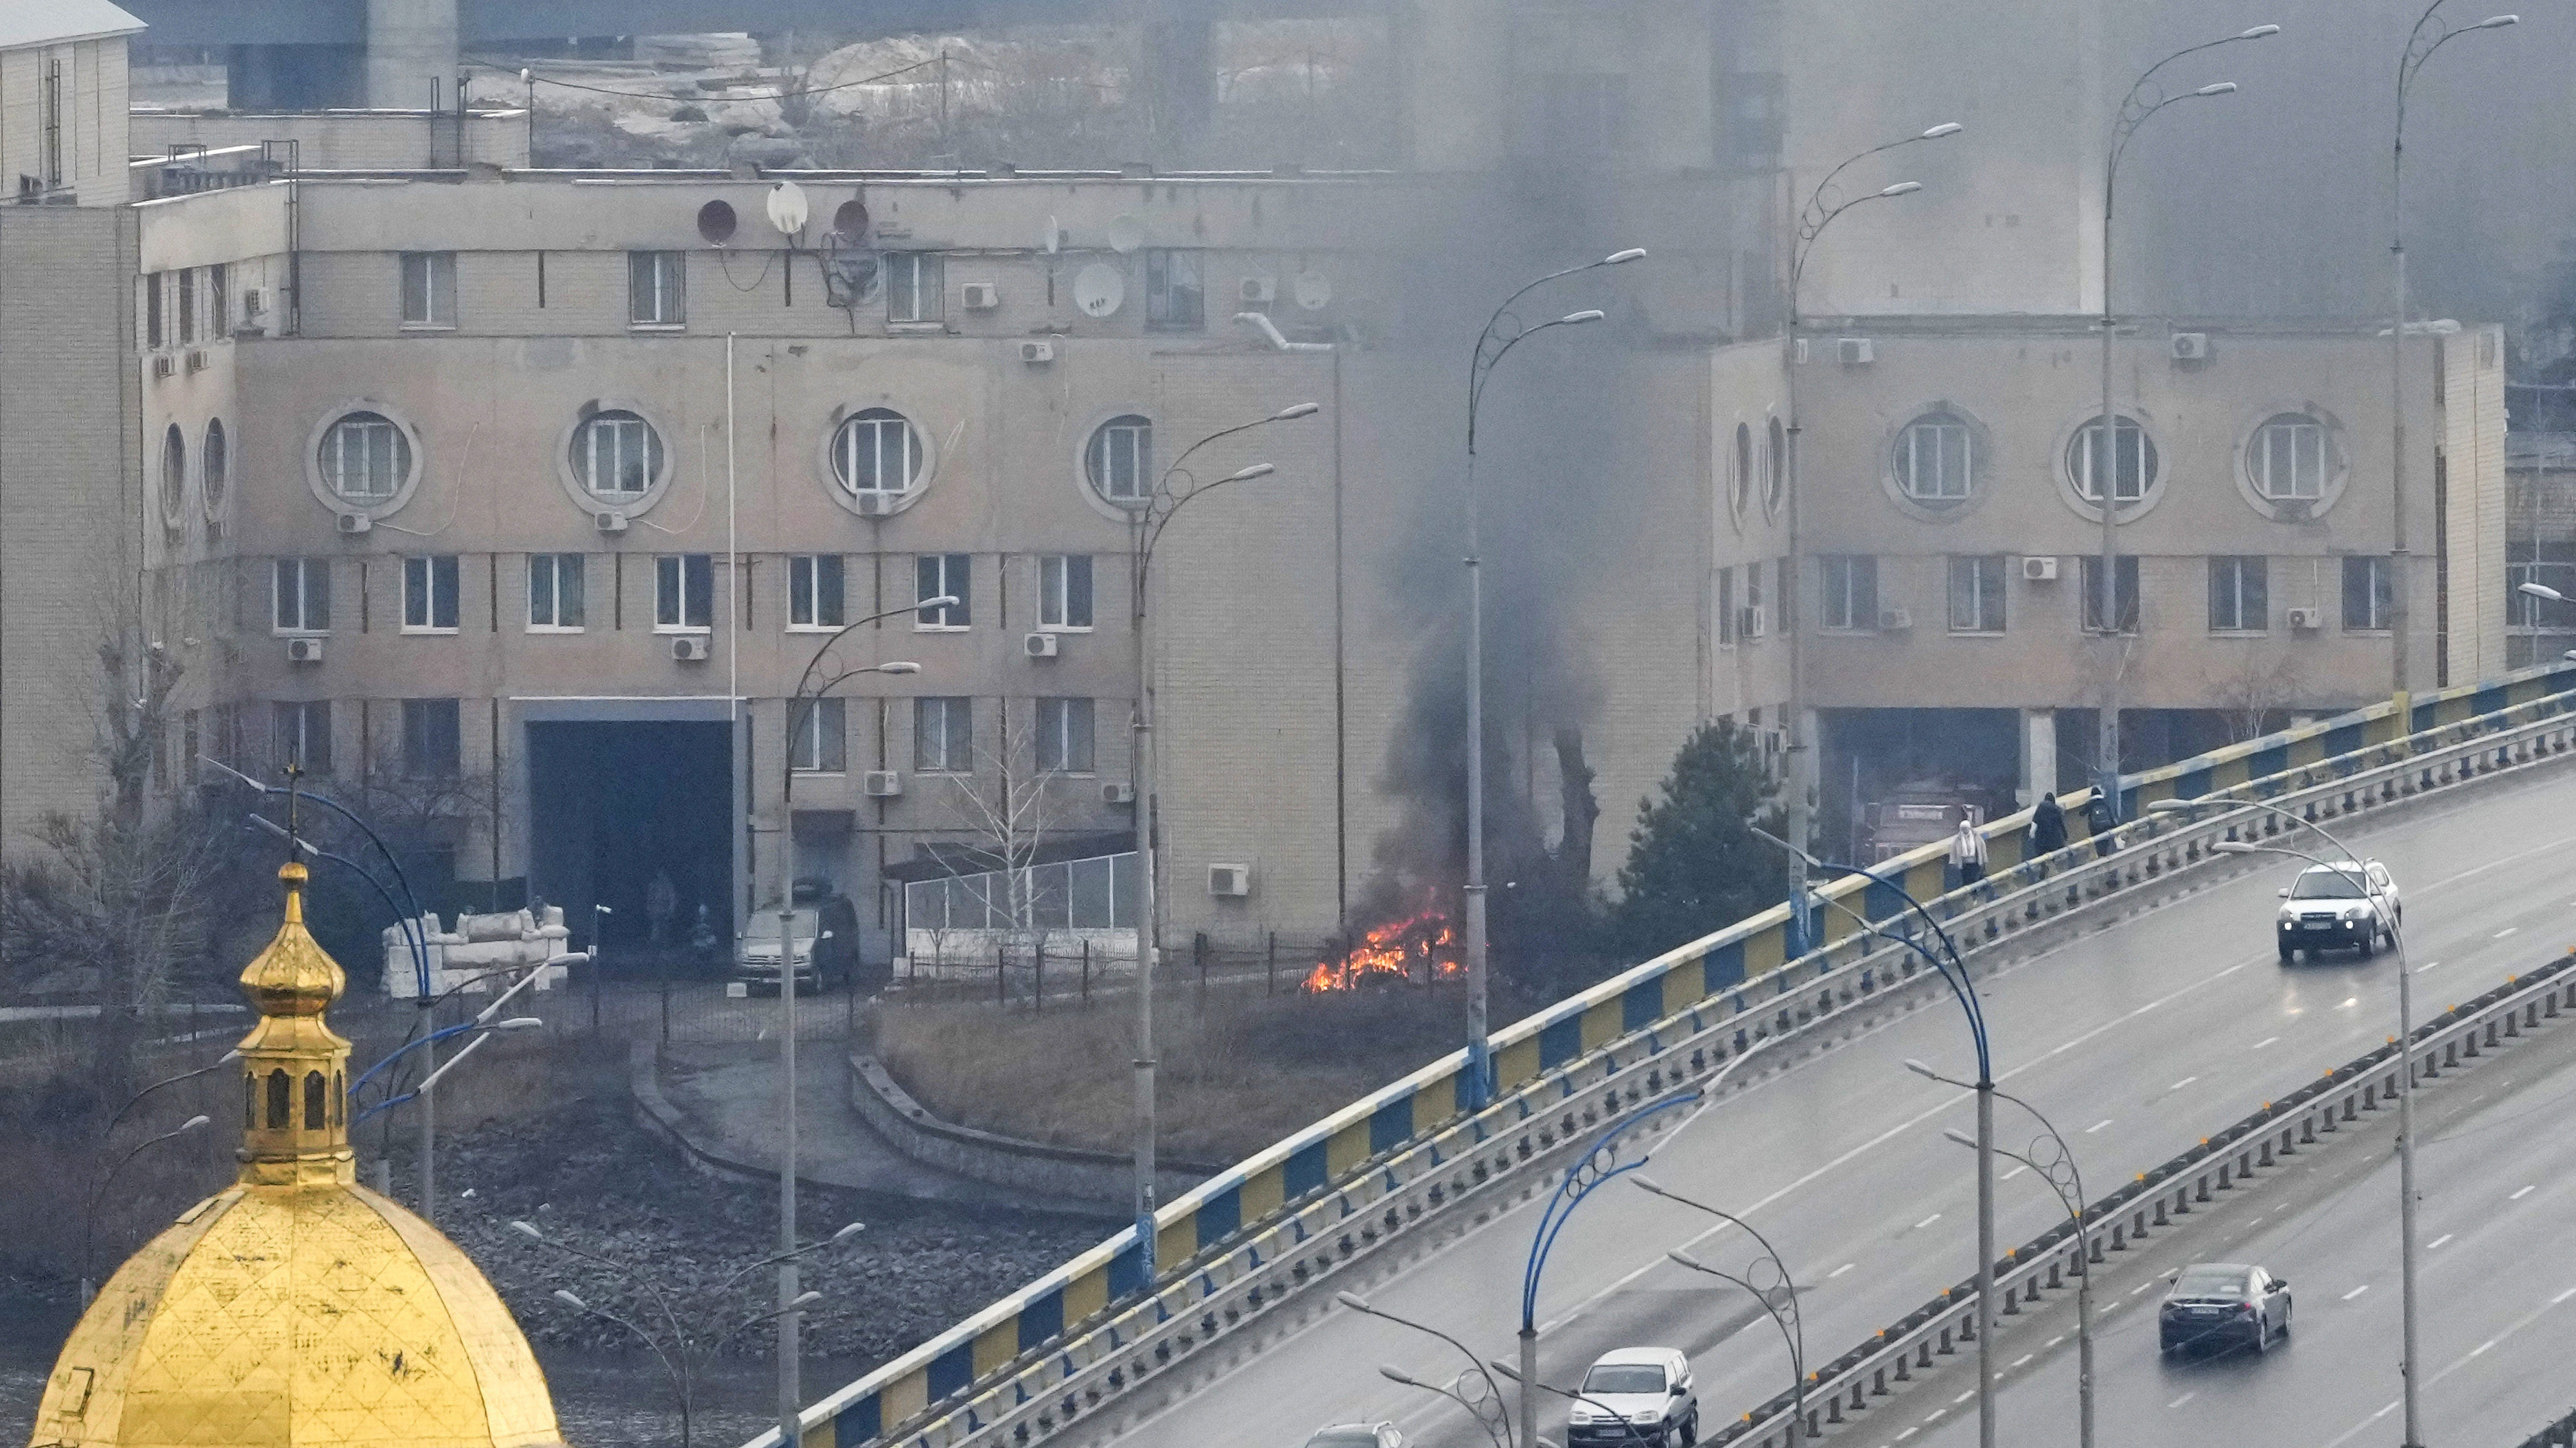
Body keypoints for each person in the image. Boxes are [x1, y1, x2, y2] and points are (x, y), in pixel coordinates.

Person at [1949, 816, 1988, 887]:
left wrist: (1984, 859)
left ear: (1969, 828)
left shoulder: (1976, 836)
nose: (1965, 830)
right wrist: (1953, 862)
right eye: (1963, 829)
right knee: (1966, 880)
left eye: (1966, 828)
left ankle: (1975, 894)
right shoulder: (1957, 839)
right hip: (1964, 864)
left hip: (1975, 862)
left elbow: (1982, 848)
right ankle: (1969, 895)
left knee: (1975, 878)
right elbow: (1953, 851)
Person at [2030, 791, 2067, 856]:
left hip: (2041, 838)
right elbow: (2061, 825)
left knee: (2042, 856)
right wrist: (2065, 835)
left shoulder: (2041, 808)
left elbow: (2034, 823)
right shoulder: (2056, 810)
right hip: (2053, 839)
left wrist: (2032, 835)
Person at [2085, 791, 2119, 859]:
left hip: (2095, 829)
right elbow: (2111, 816)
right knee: (2106, 844)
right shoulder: (2105, 802)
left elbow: (2081, 813)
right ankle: (2106, 857)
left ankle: (2101, 856)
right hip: (2106, 827)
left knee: (2098, 845)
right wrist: (2115, 827)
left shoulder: (2090, 804)